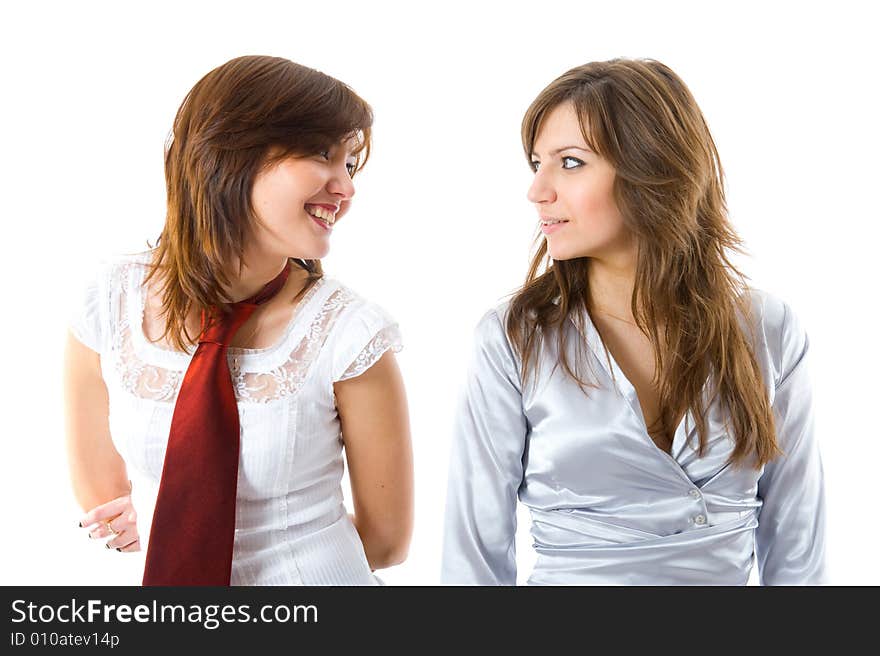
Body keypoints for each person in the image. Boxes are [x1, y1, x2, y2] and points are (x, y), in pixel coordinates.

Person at [441, 58, 827, 585]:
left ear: (654, 169)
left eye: (570, 163)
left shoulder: (767, 329)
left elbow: (797, 545)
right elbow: (474, 558)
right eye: (537, 163)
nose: (537, 190)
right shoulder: (514, 338)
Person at [64, 55, 413, 585]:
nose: (346, 187)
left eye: (349, 164)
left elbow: (386, 543)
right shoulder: (110, 303)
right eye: (323, 155)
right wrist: (176, 527)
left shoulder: (349, 333)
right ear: (230, 157)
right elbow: (102, 499)